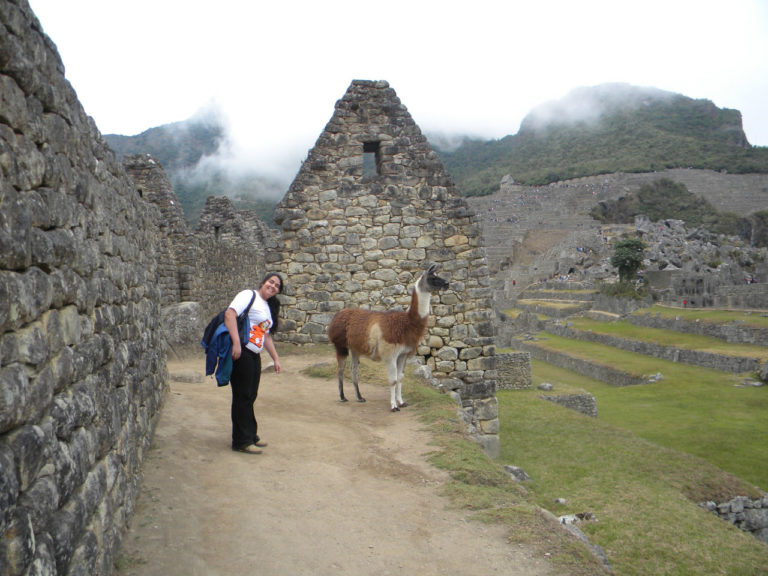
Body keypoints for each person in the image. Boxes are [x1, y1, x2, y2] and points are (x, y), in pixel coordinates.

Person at [224, 272, 284, 455]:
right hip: (242, 351)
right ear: (263, 282)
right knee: (242, 396)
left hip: (254, 354)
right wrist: (236, 343)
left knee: (250, 395)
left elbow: (265, 335)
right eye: (271, 282)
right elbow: (230, 314)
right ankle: (241, 441)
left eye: (276, 286)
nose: (272, 286)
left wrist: (275, 358)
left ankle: (251, 434)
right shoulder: (248, 295)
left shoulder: (266, 306)